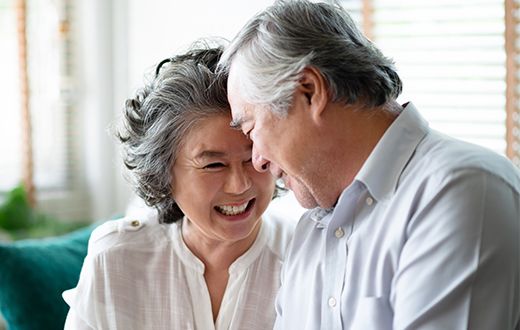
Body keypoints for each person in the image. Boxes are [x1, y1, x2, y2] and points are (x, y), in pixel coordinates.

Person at [218, 1, 520, 329]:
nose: (258, 161)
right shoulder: (312, 232)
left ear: (310, 92)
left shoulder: (460, 191)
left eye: (251, 129)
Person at [62, 42, 294, 329]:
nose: (239, 185)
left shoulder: (305, 257)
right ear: (164, 173)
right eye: (213, 165)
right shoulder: (116, 258)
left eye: (252, 158)